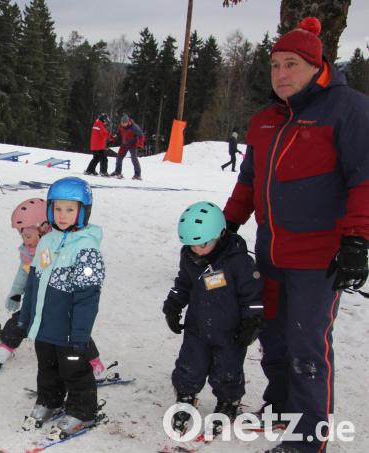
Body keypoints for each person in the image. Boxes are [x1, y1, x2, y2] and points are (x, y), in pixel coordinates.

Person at [222, 17, 369, 453]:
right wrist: (228, 223)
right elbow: (248, 180)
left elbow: (364, 178)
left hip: (319, 254)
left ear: (316, 66)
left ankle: (307, 439)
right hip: (270, 248)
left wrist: (358, 240)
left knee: (307, 343)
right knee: (272, 335)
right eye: (274, 66)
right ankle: (281, 406)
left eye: (291, 65)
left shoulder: (350, 110)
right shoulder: (265, 119)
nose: (281, 74)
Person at [162, 201, 263, 434]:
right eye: (191, 245)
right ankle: (186, 396)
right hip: (197, 327)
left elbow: (253, 295)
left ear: (220, 234)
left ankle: (228, 402)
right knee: (189, 366)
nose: (196, 249)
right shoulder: (190, 257)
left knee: (227, 370)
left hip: (230, 332)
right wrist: (173, 305)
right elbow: (183, 283)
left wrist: (252, 322)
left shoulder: (239, 262)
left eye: (202, 244)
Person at [16, 177, 105, 438]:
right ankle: (49, 400)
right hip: (44, 325)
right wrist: (25, 318)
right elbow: (34, 283)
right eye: (57, 209)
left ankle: (82, 411)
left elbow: (88, 297)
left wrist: (80, 334)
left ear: (82, 211)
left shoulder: (87, 249)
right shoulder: (46, 242)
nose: (62, 215)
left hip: (69, 328)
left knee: (74, 371)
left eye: (69, 209)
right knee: (47, 367)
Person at [0, 198, 106, 379]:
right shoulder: (30, 252)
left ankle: (95, 364)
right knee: (18, 324)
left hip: (59, 307)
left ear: (44, 229)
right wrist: (16, 294)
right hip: (37, 304)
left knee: (76, 334)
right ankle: (3, 352)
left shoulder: (57, 250)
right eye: (22, 235)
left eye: (29, 234)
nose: (25, 240)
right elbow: (24, 275)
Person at [110, 114, 144, 180]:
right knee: (119, 157)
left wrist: (140, 145)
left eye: (124, 123)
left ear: (128, 122)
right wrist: (114, 138)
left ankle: (137, 175)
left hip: (133, 145)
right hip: (124, 144)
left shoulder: (134, 127)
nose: (123, 124)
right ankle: (117, 172)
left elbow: (141, 136)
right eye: (122, 123)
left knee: (134, 159)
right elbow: (119, 134)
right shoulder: (121, 126)